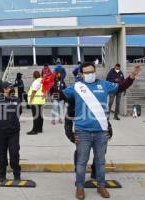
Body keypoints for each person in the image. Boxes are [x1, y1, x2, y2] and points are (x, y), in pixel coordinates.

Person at [62, 62, 141, 200]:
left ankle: (101, 186)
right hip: (83, 132)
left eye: (92, 71)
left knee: (100, 162)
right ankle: (80, 188)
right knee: (81, 162)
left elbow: (121, 87)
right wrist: (49, 88)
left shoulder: (104, 85)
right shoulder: (76, 87)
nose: (90, 74)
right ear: (81, 74)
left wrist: (132, 75)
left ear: (95, 70)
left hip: (101, 133)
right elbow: (60, 95)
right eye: (86, 72)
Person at [64, 99, 113, 181]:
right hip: (82, 132)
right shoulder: (75, 100)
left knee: (100, 153)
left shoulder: (94, 98)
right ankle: (79, 176)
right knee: (80, 154)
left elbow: (102, 116)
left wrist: (109, 128)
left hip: (99, 131)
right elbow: (68, 120)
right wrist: (70, 135)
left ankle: (95, 173)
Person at [0, 81, 22, 183]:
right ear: (4, 89)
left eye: (12, 87)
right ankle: (2, 175)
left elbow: (19, 111)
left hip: (14, 131)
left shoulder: (17, 99)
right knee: (1, 154)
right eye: (9, 88)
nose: (11, 89)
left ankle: (16, 174)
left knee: (14, 154)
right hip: (0, 132)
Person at [27, 71, 45, 135]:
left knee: (35, 116)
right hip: (41, 101)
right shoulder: (42, 81)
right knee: (40, 115)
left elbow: (34, 92)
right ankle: (40, 129)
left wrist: (30, 101)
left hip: (35, 101)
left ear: (33, 76)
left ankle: (35, 130)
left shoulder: (36, 82)